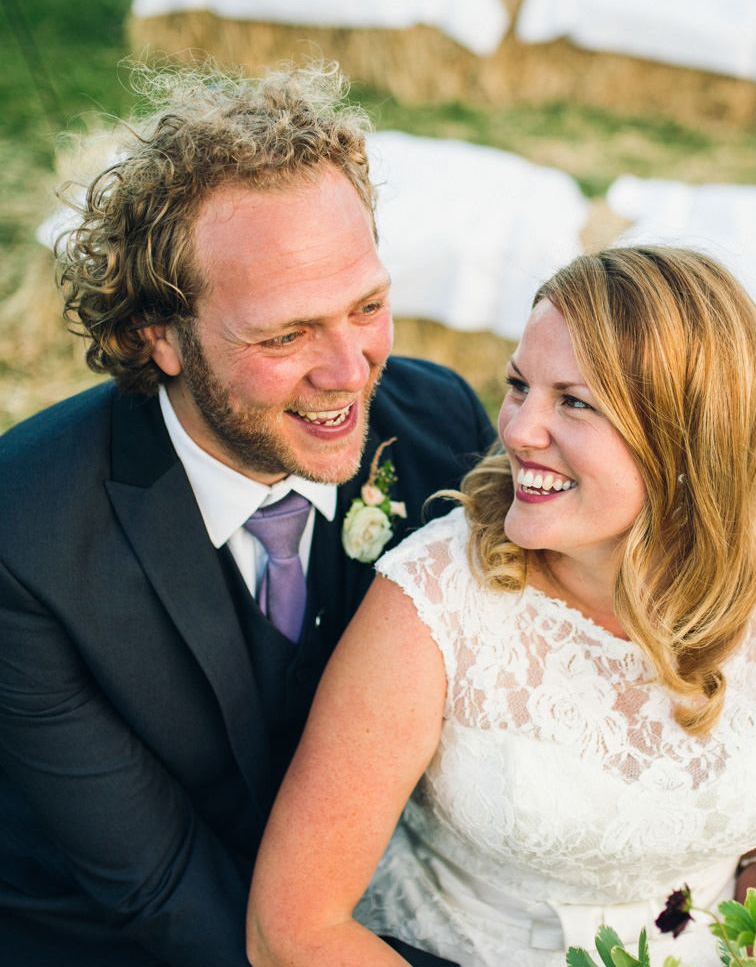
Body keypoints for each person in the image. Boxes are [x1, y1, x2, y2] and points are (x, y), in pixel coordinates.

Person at [247, 246, 756, 967]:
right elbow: (291, 927)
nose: (518, 429)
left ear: (687, 439)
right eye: (520, 386)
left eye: (574, 402)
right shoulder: (431, 601)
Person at [0, 64, 493, 967]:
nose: (348, 372)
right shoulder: (24, 534)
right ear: (158, 334)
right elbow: (160, 885)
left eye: (368, 307)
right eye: (286, 334)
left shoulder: (441, 428)